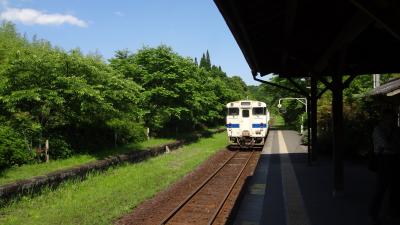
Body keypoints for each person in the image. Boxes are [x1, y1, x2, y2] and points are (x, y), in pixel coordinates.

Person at [369, 108, 400, 225]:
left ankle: (393, 213)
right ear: (385, 117)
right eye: (391, 117)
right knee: (381, 188)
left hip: (395, 159)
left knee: (395, 188)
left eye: (394, 117)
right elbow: (386, 145)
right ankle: (373, 213)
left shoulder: (396, 129)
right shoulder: (378, 129)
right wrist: (395, 147)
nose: (393, 119)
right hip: (384, 160)